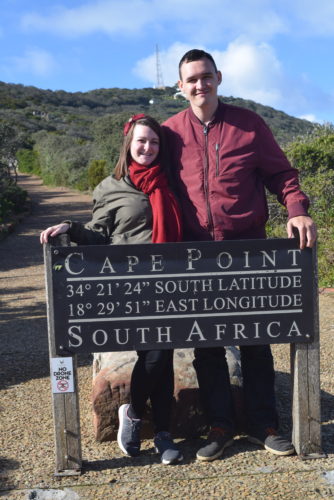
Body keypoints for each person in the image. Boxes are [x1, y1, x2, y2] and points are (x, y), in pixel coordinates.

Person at [162, 49, 317, 462]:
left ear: (219, 77)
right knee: (208, 346)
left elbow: (281, 175)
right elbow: (140, 175)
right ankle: (220, 426)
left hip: (249, 252)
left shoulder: (248, 124)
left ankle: (264, 424)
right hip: (196, 256)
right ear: (181, 87)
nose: (200, 85)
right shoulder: (170, 132)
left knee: (256, 342)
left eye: (206, 76)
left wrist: (297, 211)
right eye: (191, 79)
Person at [40, 114, 183, 465]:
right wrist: (71, 228)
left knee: (163, 357)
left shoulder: (172, 181)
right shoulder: (110, 187)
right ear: (128, 144)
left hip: (170, 282)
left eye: (153, 142)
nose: (147, 147)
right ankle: (133, 414)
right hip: (131, 286)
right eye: (141, 141)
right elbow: (100, 235)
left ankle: (163, 435)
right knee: (154, 354)